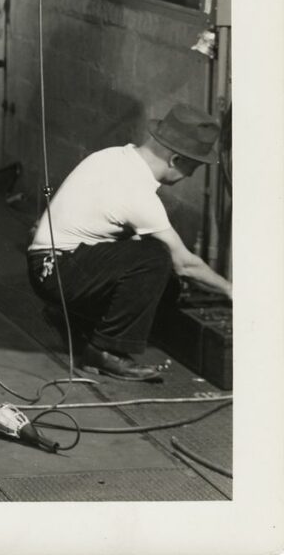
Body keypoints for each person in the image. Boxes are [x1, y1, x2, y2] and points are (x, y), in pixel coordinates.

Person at [26, 103, 232, 382]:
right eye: (192, 167)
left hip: (51, 265)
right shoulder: (138, 193)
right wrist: (232, 291)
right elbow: (184, 264)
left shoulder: (115, 156)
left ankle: (75, 317)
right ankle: (104, 351)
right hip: (57, 270)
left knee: (160, 276)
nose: (191, 175)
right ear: (174, 160)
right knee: (156, 256)